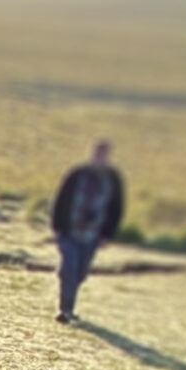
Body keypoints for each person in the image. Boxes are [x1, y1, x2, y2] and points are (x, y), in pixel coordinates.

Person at [49, 138, 125, 323]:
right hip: (70, 231)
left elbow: (116, 208)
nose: (100, 157)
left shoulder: (113, 180)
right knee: (70, 268)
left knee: (81, 272)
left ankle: (70, 305)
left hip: (93, 235)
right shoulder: (78, 174)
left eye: (104, 154)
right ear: (92, 154)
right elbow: (61, 198)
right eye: (97, 153)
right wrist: (57, 226)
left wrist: (108, 235)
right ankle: (64, 310)